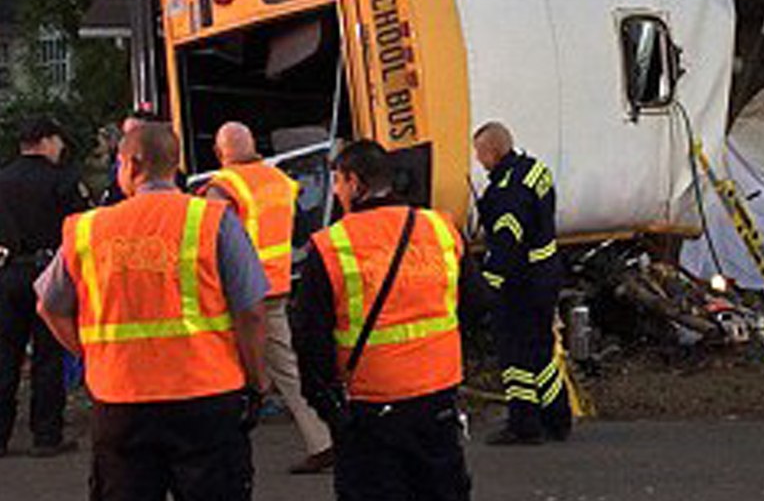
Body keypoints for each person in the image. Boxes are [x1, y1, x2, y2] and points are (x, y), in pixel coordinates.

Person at [35, 122, 269, 501]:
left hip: (121, 402)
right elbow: (251, 312)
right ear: (173, 165)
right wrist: (257, 380)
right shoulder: (212, 220)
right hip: (205, 397)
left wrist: (93, 353)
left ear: (132, 164)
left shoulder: (89, 229)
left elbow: (49, 306)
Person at [291, 140, 471, 501]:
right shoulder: (440, 228)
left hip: (369, 406)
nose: (337, 191)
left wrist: (325, 403)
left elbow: (310, 337)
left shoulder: (332, 246)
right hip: (437, 398)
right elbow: (475, 304)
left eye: (339, 182)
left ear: (356, 183)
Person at [201, 121, 333, 473]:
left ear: (219, 152)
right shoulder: (280, 180)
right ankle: (324, 438)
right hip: (276, 284)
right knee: (287, 365)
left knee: (217, 365)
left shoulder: (224, 187)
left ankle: (218, 446)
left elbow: (210, 240)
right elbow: (301, 231)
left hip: (236, 292)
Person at [473, 121, 571, 445]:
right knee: (541, 349)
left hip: (521, 282)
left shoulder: (506, 193)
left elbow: (505, 243)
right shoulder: (534, 170)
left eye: (480, 154)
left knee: (515, 353)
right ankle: (557, 418)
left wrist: (487, 287)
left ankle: (524, 423)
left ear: (493, 152)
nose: (478, 161)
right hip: (547, 273)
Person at [0, 117, 89, 457]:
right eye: (59, 141)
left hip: (7, 274)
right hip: (49, 273)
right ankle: (46, 435)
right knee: (48, 357)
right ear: (46, 141)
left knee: (5, 356)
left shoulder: (2, 179)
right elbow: (79, 229)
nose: (62, 148)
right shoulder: (63, 180)